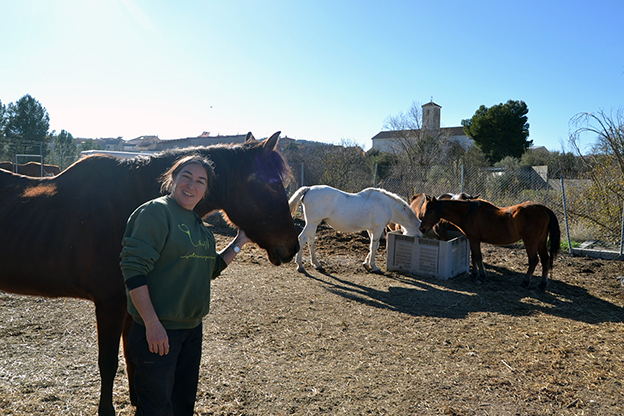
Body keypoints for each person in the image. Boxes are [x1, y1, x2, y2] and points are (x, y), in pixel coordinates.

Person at [120, 154, 250, 416]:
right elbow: (133, 269)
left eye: (200, 181)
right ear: (173, 178)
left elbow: (209, 268)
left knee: (182, 405)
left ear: (205, 190)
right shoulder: (156, 212)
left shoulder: (200, 226)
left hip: (191, 331)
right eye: (186, 177)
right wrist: (152, 324)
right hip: (159, 331)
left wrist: (240, 241)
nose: (192, 185)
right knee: (155, 409)